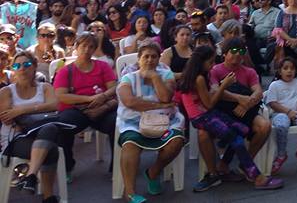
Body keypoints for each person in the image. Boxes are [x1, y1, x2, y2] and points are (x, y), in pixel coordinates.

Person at [177, 45, 283, 191]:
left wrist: (244, 102)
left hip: (210, 114)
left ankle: (224, 165)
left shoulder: (198, 75)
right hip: (203, 117)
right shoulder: (200, 78)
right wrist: (224, 85)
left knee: (243, 129)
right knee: (237, 139)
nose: (212, 65)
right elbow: (209, 104)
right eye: (210, 62)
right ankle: (256, 176)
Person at [116, 42, 186, 203]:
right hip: (134, 122)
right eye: (145, 56)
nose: (149, 60)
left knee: (176, 141)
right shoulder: (128, 77)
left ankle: (153, 172)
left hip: (165, 121)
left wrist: (154, 77)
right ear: (139, 59)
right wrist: (158, 105)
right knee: (130, 145)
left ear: (158, 59)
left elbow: (166, 97)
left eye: (154, 56)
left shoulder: (166, 75)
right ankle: (130, 192)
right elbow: (130, 102)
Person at [0, 51, 65, 202]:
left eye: (27, 64)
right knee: (51, 148)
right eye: (17, 66)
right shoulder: (6, 91)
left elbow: (54, 105)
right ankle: (48, 196)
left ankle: (30, 176)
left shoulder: (45, 87)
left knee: (49, 128)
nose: (22, 68)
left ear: (35, 66)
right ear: (13, 69)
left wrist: (21, 110)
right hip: (15, 139)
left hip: (41, 134)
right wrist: (40, 110)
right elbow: (7, 118)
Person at [53, 31, 118, 179]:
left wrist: (102, 96)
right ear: (76, 47)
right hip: (76, 108)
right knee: (63, 125)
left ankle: (116, 167)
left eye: (91, 46)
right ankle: (67, 166)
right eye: (83, 46)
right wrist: (88, 99)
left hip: (101, 107)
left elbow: (113, 87)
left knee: (117, 123)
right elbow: (61, 96)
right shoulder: (65, 70)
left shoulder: (102, 66)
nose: (87, 49)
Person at [265, 58, 297, 174]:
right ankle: (281, 155)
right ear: (280, 71)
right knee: (281, 126)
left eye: (292, 68)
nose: (289, 71)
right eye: (285, 68)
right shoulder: (275, 85)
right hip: (280, 114)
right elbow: (272, 103)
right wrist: (288, 112)